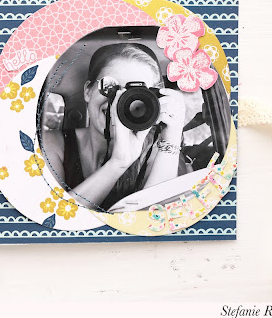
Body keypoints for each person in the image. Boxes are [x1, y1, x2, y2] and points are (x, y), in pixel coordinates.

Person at [41, 43, 187, 211]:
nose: (119, 101)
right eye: (110, 87)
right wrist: (118, 163)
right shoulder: (53, 143)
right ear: (87, 91)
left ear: (154, 100)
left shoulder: (155, 152)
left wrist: (171, 141)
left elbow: (156, 219)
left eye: (136, 92)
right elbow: (55, 217)